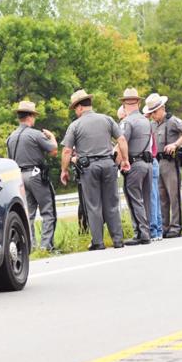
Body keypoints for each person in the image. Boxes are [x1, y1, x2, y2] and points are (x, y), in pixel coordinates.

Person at [61, 89, 128, 250]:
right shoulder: (107, 119)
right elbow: (121, 139)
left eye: (75, 109)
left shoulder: (75, 125)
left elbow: (67, 151)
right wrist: (125, 160)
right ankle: (118, 240)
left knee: (93, 205)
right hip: (108, 164)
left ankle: (98, 242)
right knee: (111, 203)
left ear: (79, 107)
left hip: (89, 168)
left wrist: (64, 170)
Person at [5, 100, 58, 251]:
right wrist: (52, 136)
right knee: (48, 211)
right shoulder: (35, 134)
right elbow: (54, 151)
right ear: (30, 116)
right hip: (36, 175)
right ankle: (46, 246)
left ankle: (31, 246)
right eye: (34, 116)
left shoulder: (10, 137)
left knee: (29, 213)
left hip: (20, 177)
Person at [145, 93, 182, 239]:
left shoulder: (172, 121)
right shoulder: (152, 124)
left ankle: (176, 226)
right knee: (161, 197)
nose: (153, 115)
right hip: (157, 162)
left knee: (174, 196)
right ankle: (164, 227)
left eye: (154, 112)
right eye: (151, 112)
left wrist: (176, 144)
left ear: (162, 108)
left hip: (170, 162)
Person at [118, 88, 154, 245]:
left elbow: (122, 142)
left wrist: (118, 161)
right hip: (147, 163)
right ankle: (148, 231)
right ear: (138, 102)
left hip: (134, 164)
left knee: (134, 199)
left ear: (124, 104)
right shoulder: (146, 120)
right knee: (146, 199)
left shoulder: (127, 122)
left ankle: (141, 233)